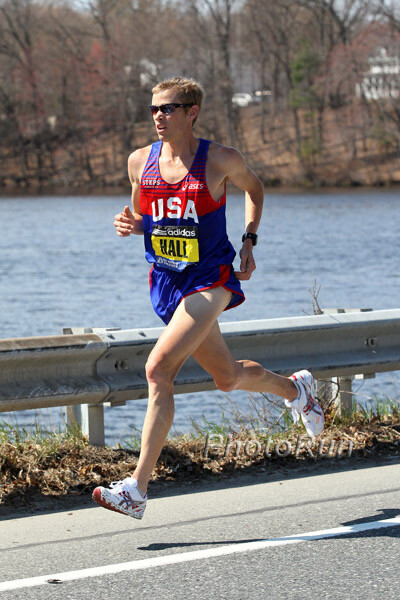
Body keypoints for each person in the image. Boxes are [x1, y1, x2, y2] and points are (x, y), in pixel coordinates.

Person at [92, 77, 324, 519]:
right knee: (227, 377)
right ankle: (296, 390)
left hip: (211, 280)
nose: (158, 116)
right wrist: (131, 225)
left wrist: (249, 241)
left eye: (168, 108)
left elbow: (255, 189)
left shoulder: (220, 159)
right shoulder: (140, 161)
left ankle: (136, 489)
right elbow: (145, 217)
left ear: (192, 111)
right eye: (154, 109)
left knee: (158, 370)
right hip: (166, 282)